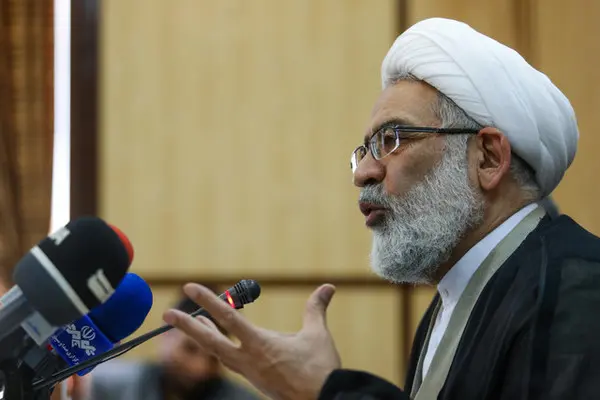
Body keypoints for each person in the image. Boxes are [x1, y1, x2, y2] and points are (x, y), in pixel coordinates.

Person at [162, 18, 600, 400]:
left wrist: (326, 391)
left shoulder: (578, 290)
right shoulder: (448, 303)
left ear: (487, 158)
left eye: (393, 139)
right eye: (365, 150)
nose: (364, 173)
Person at [85, 292, 259, 400]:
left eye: (214, 357)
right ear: (166, 332)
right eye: (190, 348)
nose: (200, 368)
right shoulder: (105, 384)